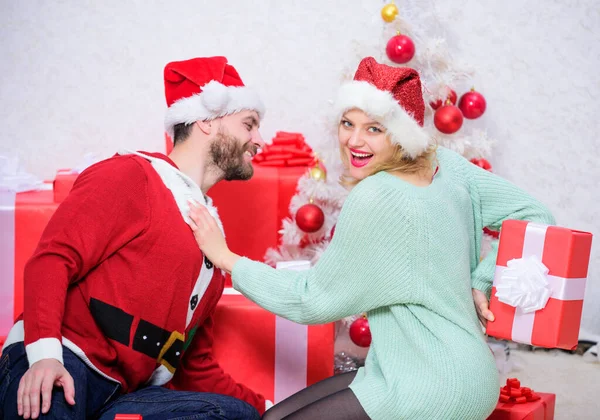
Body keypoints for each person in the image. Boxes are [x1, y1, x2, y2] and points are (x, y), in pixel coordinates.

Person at [187, 56, 556, 419]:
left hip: (432, 384)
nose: (354, 140)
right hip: (447, 369)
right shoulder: (447, 165)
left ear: (400, 135)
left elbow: (311, 300)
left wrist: (226, 258)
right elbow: (536, 215)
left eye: (375, 128)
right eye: (348, 123)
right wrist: (482, 280)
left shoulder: (376, 196)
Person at [0, 56, 272, 420]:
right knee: (51, 400)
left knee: (238, 415)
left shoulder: (211, 243)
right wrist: (45, 356)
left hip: (125, 394)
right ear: (207, 121)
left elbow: (196, 367)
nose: (259, 140)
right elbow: (52, 260)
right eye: (249, 125)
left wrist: (272, 409)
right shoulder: (131, 176)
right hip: (65, 362)